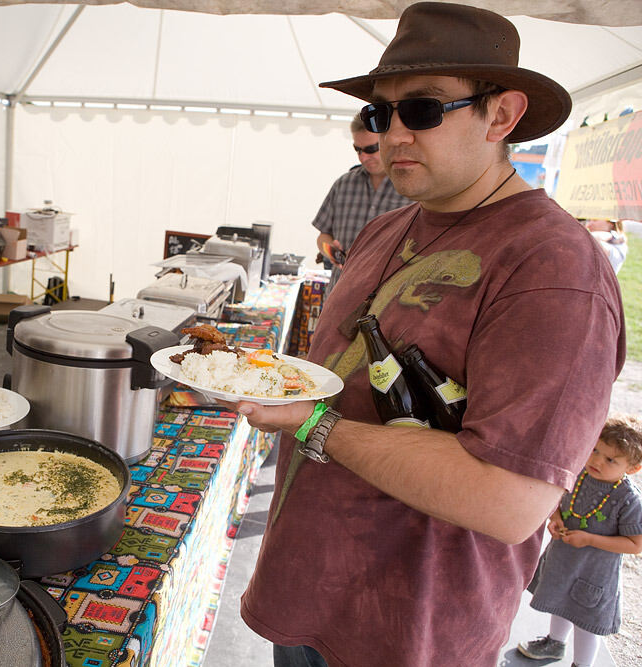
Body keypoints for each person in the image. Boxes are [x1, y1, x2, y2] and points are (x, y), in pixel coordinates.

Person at [230, 4, 626, 666]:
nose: (391, 135)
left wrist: (312, 425)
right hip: (303, 597)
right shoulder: (388, 227)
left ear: (501, 116)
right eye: (381, 115)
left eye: (422, 110)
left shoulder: (555, 269)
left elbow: (509, 499)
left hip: (407, 636)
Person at [517, 414, 642, 667]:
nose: (596, 460)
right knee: (559, 602)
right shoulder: (579, 473)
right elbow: (557, 497)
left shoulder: (628, 500)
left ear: (632, 468)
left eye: (610, 459)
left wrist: (590, 539)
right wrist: (556, 517)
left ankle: (582, 664)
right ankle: (554, 643)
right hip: (564, 560)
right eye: (595, 450)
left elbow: (636, 544)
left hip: (595, 572)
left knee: (586, 620)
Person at [312, 112, 411, 292]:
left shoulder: (412, 188)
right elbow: (323, 235)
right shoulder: (343, 184)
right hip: (340, 294)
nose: (363, 157)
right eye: (358, 150)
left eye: (371, 149)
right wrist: (331, 252)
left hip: (387, 299)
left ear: (388, 141)